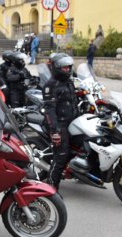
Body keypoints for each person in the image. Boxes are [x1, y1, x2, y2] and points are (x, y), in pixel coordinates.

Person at [42, 54, 79, 190]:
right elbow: (49, 111)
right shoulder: (50, 86)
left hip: (73, 121)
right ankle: (51, 186)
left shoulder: (68, 81)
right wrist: (55, 132)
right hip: (59, 124)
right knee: (61, 155)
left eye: (69, 67)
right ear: (57, 67)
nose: (67, 70)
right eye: (64, 67)